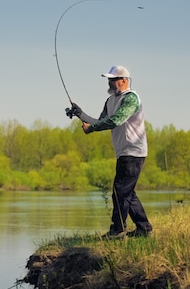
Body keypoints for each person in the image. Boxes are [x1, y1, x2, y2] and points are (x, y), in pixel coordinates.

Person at [66, 65, 153, 239]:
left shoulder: (131, 99)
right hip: (123, 152)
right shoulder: (110, 101)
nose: (110, 82)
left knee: (120, 190)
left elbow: (116, 120)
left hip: (134, 151)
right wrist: (80, 114)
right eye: (109, 79)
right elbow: (100, 121)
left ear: (124, 80)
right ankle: (144, 229)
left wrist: (91, 129)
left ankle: (118, 230)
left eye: (113, 79)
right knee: (127, 191)